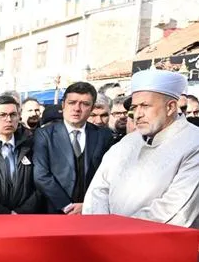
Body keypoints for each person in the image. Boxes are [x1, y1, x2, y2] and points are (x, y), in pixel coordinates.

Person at [84, 70, 199, 225]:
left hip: (156, 244)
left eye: (145, 106)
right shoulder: (127, 143)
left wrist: (119, 231)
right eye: (134, 107)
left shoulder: (194, 142)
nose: (137, 114)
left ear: (170, 107)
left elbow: (175, 210)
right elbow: (98, 190)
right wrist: (101, 229)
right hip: (107, 239)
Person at [33, 82, 112, 214]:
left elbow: (108, 175)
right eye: (72, 102)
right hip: (56, 211)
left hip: (91, 211)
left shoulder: (103, 135)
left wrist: (87, 206)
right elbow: (41, 175)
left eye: (85, 104)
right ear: (63, 105)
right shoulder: (45, 134)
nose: (77, 108)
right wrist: (66, 206)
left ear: (92, 108)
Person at [0, 95, 41, 214]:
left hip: (25, 217)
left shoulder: (32, 145)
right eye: (2, 115)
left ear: (19, 117)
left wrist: (22, 211)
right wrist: (3, 213)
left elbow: (39, 184)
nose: (8, 119)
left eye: (13, 114)